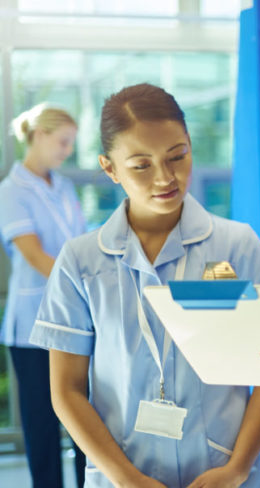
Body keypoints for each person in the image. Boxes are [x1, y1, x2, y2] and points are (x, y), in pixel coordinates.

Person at [29, 83, 260, 488]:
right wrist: (127, 479)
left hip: (224, 473)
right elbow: (67, 390)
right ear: (110, 168)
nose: (166, 177)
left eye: (177, 156)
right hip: (122, 474)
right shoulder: (81, 261)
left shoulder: (235, 246)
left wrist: (236, 469)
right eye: (141, 165)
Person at [0, 103, 86, 488]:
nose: (67, 151)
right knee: (41, 423)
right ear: (38, 136)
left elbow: (80, 245)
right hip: (32, 320)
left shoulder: (64, 186)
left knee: (84, 417)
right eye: (63, 141)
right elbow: (34, 254)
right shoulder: (10, 191)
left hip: (76, 317)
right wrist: (83, 283)